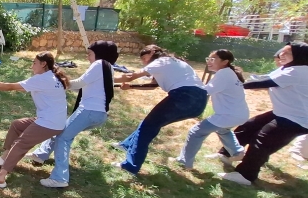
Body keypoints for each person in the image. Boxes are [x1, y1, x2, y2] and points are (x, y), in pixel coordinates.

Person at [217, 42, 308, 185]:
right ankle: (228, 154)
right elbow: (261, 78)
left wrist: (233, 84)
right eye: (282, 51)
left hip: (299, 119)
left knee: (262, 140)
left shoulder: (298, 71)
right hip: (285, 112)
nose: (281, 54)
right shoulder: (289, 68)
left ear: (298, 56)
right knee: (250, 126)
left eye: (286, 53)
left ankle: (245, 176)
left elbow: (261, 84)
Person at [32, 41, 119, 188]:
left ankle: (59, 178)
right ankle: (41, 154)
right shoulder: (108, 67)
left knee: (62, 137)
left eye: (90, 53)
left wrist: (58, 83)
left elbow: (79, 83)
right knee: (61, 129)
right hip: (99, 114)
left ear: (99, 54)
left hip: (89, 110)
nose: (87, 56)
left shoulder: (99, 64)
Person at [113, 45, 208, 175]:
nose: (145, 62)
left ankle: (131, 166)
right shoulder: (175, 62)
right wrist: (131, 87)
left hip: (183, 96)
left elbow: (130, 76)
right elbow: (153, 85)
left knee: (148, 127)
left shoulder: (161, 61)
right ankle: (127, 145)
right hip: (200, 102)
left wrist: (106, 79)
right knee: (151, 123)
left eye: (145, 58)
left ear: (153, 52)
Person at [0, 52, 69, 188]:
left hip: (49, 123)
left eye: (34, 63)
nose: (31, 66)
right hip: (53, 120)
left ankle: (0, 177)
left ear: (43, 64)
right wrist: (5, 85)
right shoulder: (51, 77)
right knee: (17, 125)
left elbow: (11, 87)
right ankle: (5, 157)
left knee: (21, 143)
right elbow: (21, 88)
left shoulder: (42, 79)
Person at [172, 49, 249, 169]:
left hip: (227, 115)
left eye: (213, 59)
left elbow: (206, 91)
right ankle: (237, 152)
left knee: (196, 132)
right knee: (223, 130)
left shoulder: (224, 74)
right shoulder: (229, 73)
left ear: (225, 61)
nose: (209, 62)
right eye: (208, 59)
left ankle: (184, 162)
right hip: (240, 114)